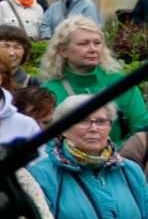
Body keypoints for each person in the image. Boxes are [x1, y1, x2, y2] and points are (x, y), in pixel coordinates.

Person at [39, 16, 148, 144]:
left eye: (97, 43)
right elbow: (46, 141)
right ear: (63, 51)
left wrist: (108, 155)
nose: (93, 49)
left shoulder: (120, 83)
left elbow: (141, 131)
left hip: (119, 160)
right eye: (84, 44)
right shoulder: (49, 91)